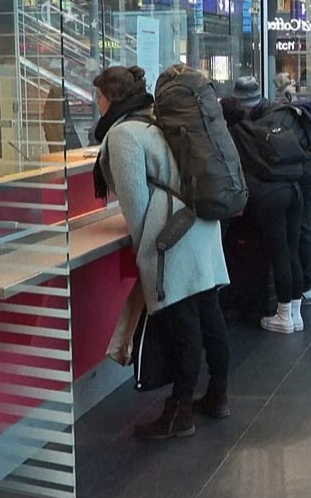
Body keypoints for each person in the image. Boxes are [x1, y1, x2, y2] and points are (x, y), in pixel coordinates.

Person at [92, 66, 232, 440]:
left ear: (109, 98)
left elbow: (136, 204)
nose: (96, 104)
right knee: (208, 315)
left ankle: (180, 413)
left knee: (182, 327)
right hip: (201, 225)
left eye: (99, 97)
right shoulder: (158, 121)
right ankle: (218, 395)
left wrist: (148, 250)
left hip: (171, 238)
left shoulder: (123, 135)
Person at [226, 78, 307, 333]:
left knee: (279, 254)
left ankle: (283, 316)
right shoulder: (278, 117)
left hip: (269, 196)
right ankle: (295, 313)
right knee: (292, 252)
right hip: (294, 189)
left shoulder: (236, 130)